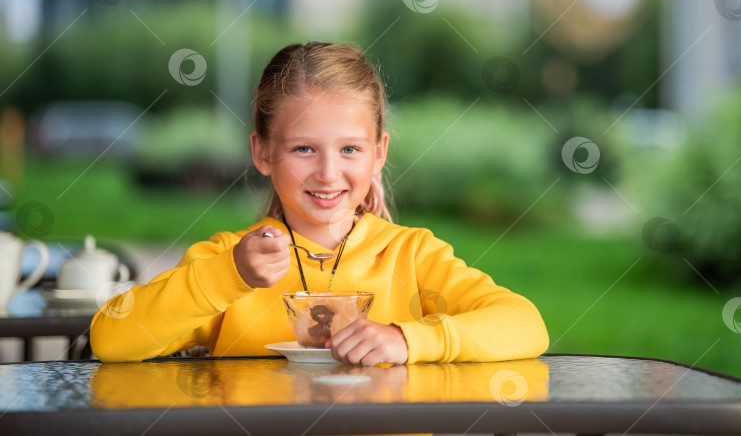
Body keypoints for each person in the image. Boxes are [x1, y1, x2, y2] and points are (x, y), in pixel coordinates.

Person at [90, 41, 549, 364]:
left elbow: (525, 325)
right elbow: (110, 338)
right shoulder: (229, 262)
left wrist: (408, 340)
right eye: (304, 149)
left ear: (378, 153)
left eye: (350, 149)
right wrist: (229, 275)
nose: (329, 173)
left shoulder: (412, 256)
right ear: (263, 153)